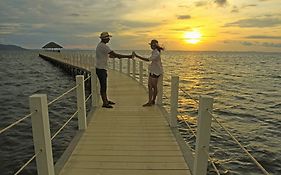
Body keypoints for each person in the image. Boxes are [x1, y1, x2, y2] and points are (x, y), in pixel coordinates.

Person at [96, 32, 133, 108]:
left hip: (101, 68)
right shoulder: (104, 46)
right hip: (101, 69)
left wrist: (117, 56)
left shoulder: (101, 46)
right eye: (108, 38)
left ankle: (106, 100)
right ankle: (105, 103)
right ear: (105, 39)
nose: (109, 39)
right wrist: (129, 56)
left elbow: (111, 56)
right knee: (103, 86)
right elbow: (115, 54)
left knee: (104, 86)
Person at [133, 39, 164, 107]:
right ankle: (151, 101)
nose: (151, 46)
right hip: (153, 70)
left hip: (155, 71)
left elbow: (148, 60)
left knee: (153, 86)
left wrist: (137, 56)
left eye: (152, 45)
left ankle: (151, 101)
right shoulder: (155, 51)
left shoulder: (156, 53)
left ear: (154, 45)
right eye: (151, 45)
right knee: (151, 86)